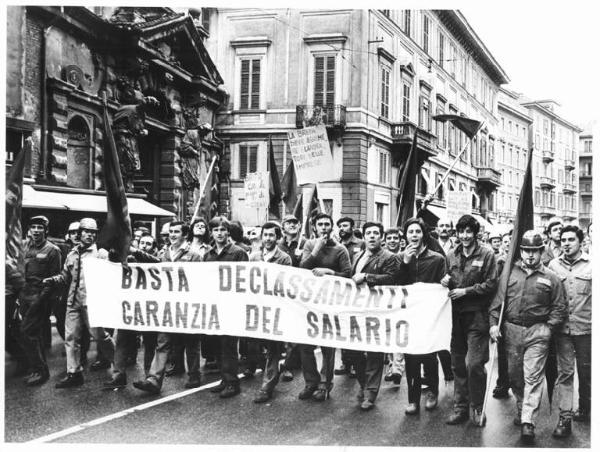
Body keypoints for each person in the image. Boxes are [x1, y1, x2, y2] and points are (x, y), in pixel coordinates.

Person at [489, 230, 567, 443]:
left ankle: (528, 422)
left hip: (537, 332)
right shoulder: (508, 274)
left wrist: (547, 329)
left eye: (535, 251)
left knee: (533, 376)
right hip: (512, 330)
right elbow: (497, 304)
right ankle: (523, 407)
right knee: (516, 376)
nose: (530, 255)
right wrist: (493, 325)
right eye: (526, 250)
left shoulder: (551, 277)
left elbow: (559, 307)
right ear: (520, 251)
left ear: (542, 251)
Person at [43, 218, 115, 388]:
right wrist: (53, 280)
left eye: (93, 233)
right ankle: (74, 372)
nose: (90, 235)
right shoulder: (72, 253)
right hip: (73, 302)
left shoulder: (101, 254)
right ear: (80, 233)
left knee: (100, 336)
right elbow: (65, 276)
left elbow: (114, 273)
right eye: (86, 232)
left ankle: (118, 367)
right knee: (71, 338)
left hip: (92, 304)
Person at [132, 222, 203, 394]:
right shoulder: (164, 253)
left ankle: (194, 375)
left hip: (186, 306)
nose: (172, 235)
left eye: (176, 232)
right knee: (162, 342)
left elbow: (200, 279)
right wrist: (135, 253)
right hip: (166, 306)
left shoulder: (194, 256)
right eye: (170, 231)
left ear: (185, 235)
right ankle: (154, 380)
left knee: (190, 342)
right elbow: (155, 268)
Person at [441, 214, 498, 426]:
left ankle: (478, 407)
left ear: (475, 233)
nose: (465, 236)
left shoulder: (487, 253)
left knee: (474, 364)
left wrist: (466, 291)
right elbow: (447, 281)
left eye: (468, 231)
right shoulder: (451, 255)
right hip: (455, 317)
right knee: (458, 365)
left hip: (477, 316)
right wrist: (445, 281)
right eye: (461, 231)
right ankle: (460, 407)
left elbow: (491, 284)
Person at [299, 213, 352, 401]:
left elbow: (347, 275)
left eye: (327, 224)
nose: (323, 227)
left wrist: (330, 272)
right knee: (305, 344)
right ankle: (310, 382)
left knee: (327, 346)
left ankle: (324, 383)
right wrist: (316, 251)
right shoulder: (309, 245)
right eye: (320, 224)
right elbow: (302, 268)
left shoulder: (340, 249)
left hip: (330, 304)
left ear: (332, 227)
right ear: (315, 227)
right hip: (310, 303)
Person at [348, 221, 400, 410]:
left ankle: (370, 393)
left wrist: (367, 277)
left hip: (378, 312)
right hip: (359, 311)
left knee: (374, 354)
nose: (371, 236)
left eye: (375, 233)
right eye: (368, 233)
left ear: (381, 237)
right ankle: (364, 384)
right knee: (353, 351)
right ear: (363, 236)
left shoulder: (389, 257)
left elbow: (392, 279)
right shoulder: (358, 256)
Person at [397, 218, 446, 414]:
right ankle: (413, 399)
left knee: (429, 355)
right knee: (411, 358)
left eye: (418, 231)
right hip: (409, 315)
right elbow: (396, 284)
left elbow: (441, 286)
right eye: (410, 232)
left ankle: (432, 391)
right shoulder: (400, 257)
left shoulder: (437, 259)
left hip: (430, 315)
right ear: (406, 235)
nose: (414, 235)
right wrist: (405, 263)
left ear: (424, 234)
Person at [548, 226, 591, 437]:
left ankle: (586, 409)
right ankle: (565, 419)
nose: (565, 243)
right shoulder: (553, 266)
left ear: (580, 242)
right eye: (563, 239)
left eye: (571, 239)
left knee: (587, 373)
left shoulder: (593, 265)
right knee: (565, 374)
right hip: (562, 330)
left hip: (587, 329)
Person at [204, 216, 250, 398]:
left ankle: (232, 382)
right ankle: (224, 378)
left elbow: (245, 279)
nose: (219, 233)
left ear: (228, 232)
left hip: (232, 305)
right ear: (211, 233)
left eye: (223, 230)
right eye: (216, 230)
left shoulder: (238, 252)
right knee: (216, 344)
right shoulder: (208, 255)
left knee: (229, 345)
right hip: (215, 305)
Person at [250, 221, 293, 403]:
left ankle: (267, 386)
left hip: (275, 308)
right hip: (257, 307)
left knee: (273, 349)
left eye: (271, 235)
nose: (268, 239)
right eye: (265, 235)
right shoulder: (254, 257)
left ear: (278, 237)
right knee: (257, 345)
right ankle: (268, 372)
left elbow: (287, 283)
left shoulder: (284, 258)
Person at [20, 216, 62, 386]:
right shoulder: (25, 247)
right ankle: (37, 368)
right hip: (24, 295)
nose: (36, 230)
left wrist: (41, 300)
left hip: (40, 296)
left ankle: (41, 370)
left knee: (27, 332)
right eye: (33, 227)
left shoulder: (53, 250)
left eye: (40, 227)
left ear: (46, 230)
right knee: (33, 334)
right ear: (29, 230)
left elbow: (55, 278)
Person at [277, 214, 306, 381]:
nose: (292, 225)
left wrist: (303, 257)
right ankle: (288, 362)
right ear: (283, 227)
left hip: (299, 293)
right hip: (281, 293)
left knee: (296, 330)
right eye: (289, 223)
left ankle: (287, 365)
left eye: (295, 222)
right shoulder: (279, 245)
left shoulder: (305, 243)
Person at [335, 216, 364, 378]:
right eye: (340, 226)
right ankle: (345, 361)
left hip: (358, 289)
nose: (342, 228)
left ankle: (356, 362)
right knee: (343, 327)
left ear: (352, 227)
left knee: (356, 327)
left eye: (345, 225)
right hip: (341, 290)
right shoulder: (337, 245)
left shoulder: (361, 244)